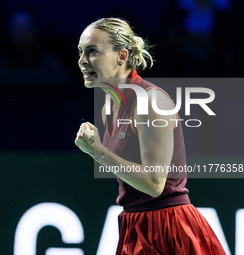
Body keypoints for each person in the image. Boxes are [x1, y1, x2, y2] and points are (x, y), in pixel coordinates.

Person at [74, 17, 226, 255]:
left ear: (121, 57)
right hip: (134, 226)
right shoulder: (108, 108)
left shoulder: (151, 101)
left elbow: (155, 185)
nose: (83, 61)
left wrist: (98, 151)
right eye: (81, 52)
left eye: (92, 52)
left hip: (170, 230)